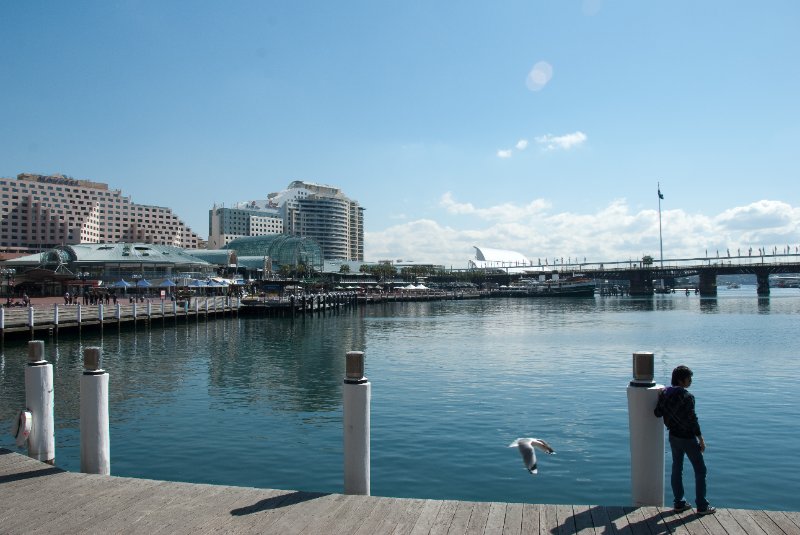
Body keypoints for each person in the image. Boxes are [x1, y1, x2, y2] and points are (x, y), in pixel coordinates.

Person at [654, 365, 716, 515]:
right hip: (688, 438)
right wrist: (701, 439)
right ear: (681, 380)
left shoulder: (665, 394)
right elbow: (692, 420)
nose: (691, 381)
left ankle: (679, 503)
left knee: (677, 469)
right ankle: (702, 506)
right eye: (689, 378)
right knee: (700, 470)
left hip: (673, 437)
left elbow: (657, 413)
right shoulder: (688, 397)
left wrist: (660, 397)